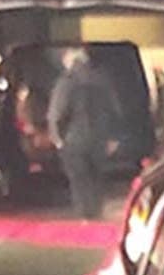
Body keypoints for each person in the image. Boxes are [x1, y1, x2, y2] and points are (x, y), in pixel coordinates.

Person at [48, 46, 123, 219]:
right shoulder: (102, 79)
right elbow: (114, 109)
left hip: (74, 139)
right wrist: (113, 137)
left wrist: (57, 137)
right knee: (96, 178)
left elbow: (57, 112)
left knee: (79, 180)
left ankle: (85, 216)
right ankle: (96, 212)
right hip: (99, 138)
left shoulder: (66, 81)